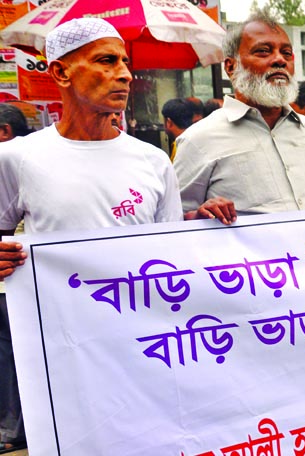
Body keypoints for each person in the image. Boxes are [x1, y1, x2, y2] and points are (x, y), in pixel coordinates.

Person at [0, 18, 184, 448]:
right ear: (60, 72)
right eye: (106, 61)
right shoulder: (17, 158)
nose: (124, 73)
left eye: (125, 62)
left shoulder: (153, 162)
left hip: (145, 349)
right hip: (63, 356)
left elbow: (174, 258)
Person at [174, 12, 305, 223]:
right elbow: (174, 222)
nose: (280, 60)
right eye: (263, 51)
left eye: (287, 53)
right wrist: (197, 217)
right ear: (231, 67)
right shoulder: (199, 139)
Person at [0, 103, 30, 453]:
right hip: (14, 283)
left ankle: (13, 428)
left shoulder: (12, 160)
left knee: (11, 356)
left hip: (15, 285)